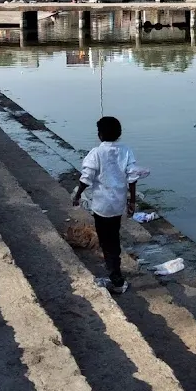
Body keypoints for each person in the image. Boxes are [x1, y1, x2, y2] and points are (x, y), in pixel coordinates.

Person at [72, 116, 148, 294]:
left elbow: (86, 177)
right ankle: (115, 274)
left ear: (99, 135)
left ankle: (116, 280)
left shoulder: (96, 153)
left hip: (101, 206)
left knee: (108, 243)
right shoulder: (126, 151)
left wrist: (77, 195)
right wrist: (132, 201)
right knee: (112, 238)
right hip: (117, 205)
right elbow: (132, 177)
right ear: (119, 134)